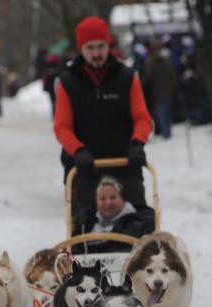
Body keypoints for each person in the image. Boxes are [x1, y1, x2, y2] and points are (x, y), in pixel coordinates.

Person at [54, 16, 153, 235]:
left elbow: (142, 118)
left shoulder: (127, 78)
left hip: (124, 161)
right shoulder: (68, 82)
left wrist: (138, 142)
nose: (97, 53)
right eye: (90, 48)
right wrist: (78, 150)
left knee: (139, 221)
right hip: (84, 167)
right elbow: (62, 126)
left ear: (109, 46)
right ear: (81, 49)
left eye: (101, 46)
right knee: (83, 223)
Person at [77, 175, 154, 253]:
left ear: (122, 199)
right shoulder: (85, 227)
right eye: (103, 199)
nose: (108, 203)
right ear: (96, 202)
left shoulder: (140, 223)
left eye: (113, 197)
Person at [142, 47, 177, 139]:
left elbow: (147, 79)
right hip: (168, 91)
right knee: (167, 112)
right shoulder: (168, 63)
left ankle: (165, 132)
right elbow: (173, 76)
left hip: (157, 92)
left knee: (161, 113)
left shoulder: (152, 65)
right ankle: (168, 130)